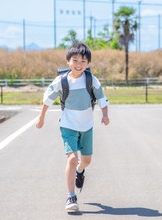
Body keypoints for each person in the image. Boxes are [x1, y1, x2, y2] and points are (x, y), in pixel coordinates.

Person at [35, 42, 110, 211]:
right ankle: (71, 197)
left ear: (88, 63)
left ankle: (80, 170)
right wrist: (41, 118)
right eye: (75, 60)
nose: (79, 64)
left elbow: (102, 98)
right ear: (68, 61)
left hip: (87, 126)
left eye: (83, 61)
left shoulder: (91, 80)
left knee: (86, 161)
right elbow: (47, 100)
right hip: (68, 125)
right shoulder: (61, 81)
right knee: (72, 158)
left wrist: (105, 115)